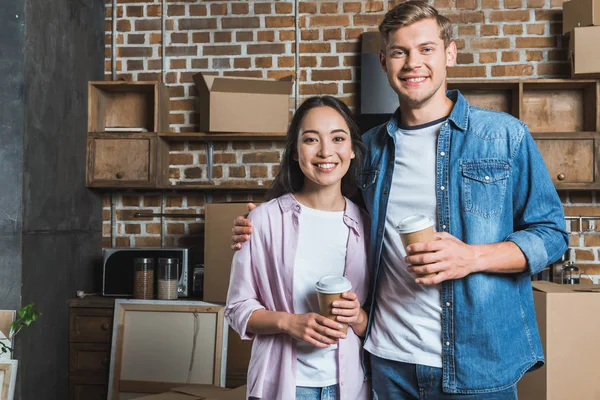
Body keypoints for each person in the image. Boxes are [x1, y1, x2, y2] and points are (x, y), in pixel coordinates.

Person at [232, 1, 568, 399]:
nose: (413, 63)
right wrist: (262, 219)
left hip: (478, 362)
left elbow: (552, 234)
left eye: (426, 49)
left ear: (450, 53)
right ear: (384, 61)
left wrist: (473, 257)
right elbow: (324, 201)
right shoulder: (371, 149)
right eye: (399, 52)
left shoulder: (503, 136)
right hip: (388, 363)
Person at [224, 95, 371, 400]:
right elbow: (237, 309)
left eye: (338, 138)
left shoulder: (367, 226)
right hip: (284, 387)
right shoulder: (263, 220)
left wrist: (358, 317)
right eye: (311, 140)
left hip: (350, 387)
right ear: (294, 151)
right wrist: (290, 323)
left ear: (353, 150)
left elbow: (379, 320)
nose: (325, 152)